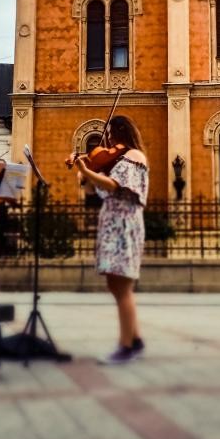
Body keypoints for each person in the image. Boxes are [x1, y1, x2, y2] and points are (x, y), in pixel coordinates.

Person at [70, 114, 149, 365]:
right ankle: (135, 339)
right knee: (114, 285)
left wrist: (87, 170)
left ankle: (126, 347)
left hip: (124, 225)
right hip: (112, 223)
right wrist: (83, 174)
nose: (108, 140)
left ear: (122, 132)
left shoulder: (134, 157)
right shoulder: (115, 160)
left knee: (123, 286)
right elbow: (94, 189)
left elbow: (115, 186)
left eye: (111, 134)